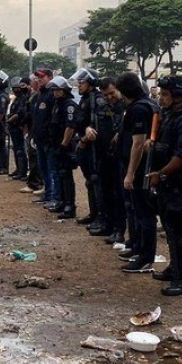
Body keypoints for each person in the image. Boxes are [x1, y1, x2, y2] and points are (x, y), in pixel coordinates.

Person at [145, 75, 182, 296]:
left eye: (166, 94)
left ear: (179, 97)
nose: (162, 97)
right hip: (166, 184)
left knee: (180, 233)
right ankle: (174, 268)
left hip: (179, 184)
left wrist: (160, 173)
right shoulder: (168, 116)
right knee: (170, 230)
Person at [119, 72, 158, 259]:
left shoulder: (139, 108)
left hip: (142, 168)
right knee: (138, 212)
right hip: (146, 166)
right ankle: (137, 248)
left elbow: (138, 144)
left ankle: (145, 257)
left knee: (144, 214)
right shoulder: (149, 104)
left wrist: (130, 173)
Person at [87, 77, 125, 240]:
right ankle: (108, 225)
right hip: (102, 155)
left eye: (111, 93)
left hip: (119, 157)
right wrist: (88, 128)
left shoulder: (126, 107)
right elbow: (91, 123)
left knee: (119, 195)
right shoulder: (101, 106)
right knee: (105, 192)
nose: (109, 97)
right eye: (105, 95)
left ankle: (119, 229)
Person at [73, 68, 105, 226]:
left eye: (82, 81)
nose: (79, 84)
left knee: (95, 180)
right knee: (89, 181)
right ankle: (94, 213)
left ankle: (100, 216)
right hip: (84, 144)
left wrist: (85, 137)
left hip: (94, 147)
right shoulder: (85, 98)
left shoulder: (97, 99)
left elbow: (96, 127)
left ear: (91, 83)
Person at [47, 76, 79, 219]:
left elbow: (70, 127)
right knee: (60, 174)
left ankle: (70, 205)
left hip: (64, 145)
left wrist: (64, 145)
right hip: (56, 144)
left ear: (64, 90)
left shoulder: (69, 105)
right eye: (54, 90)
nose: (55, 93)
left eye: (58, 90)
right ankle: (61, 202)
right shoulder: (57, 104)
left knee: (66, 175)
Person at [30, 68, 57, 205]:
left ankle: (53, 197)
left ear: (50, 77)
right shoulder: (40, 95)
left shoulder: (52, 95)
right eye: (38, 78)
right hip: (39, 138)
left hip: (48, 139)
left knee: (51, 169)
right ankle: (48, 194)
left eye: (42, 77)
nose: (39, 80)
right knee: (43, 167)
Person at [20, 75, 44, 194]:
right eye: (35, 80)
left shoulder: (41, 96)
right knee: (32, 157)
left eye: (38, 80)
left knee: (35, 159)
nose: (35, 82)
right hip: (31, 130)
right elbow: (28, 115)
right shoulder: (33, 96)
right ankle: (34, 182)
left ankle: (36, 183)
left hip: (37, 132)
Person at [6, 77, 30, 180]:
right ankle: (18, 169)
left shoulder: (24, 98)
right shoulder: (17, 98)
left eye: (18, 88)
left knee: (20, 150)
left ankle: (22, 171)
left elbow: (19, 113)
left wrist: (9, 120)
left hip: (18, 126)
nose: (16, 90)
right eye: (14, 88)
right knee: (16, 149)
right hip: (13, 127)